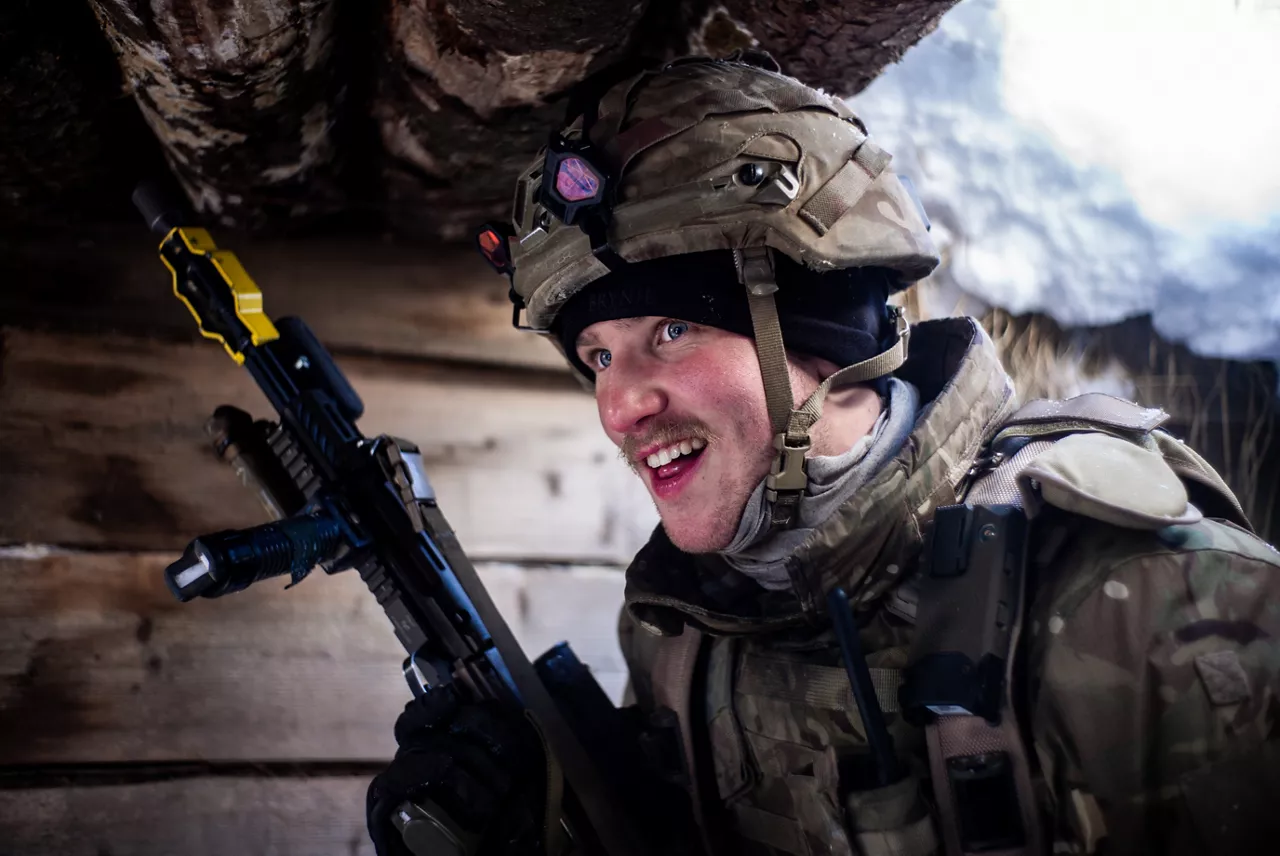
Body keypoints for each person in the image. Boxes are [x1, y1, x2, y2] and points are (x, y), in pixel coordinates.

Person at [368, 53, 1280, 855]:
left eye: (673, 329)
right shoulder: (683, 629)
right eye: (599, 355)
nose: (618, 406)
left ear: (822, 334)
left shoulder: (1149, 601)